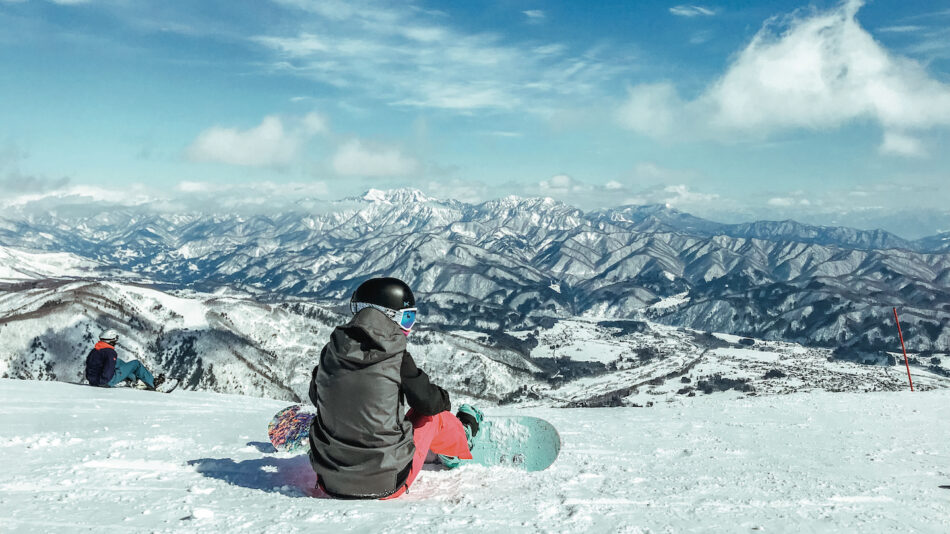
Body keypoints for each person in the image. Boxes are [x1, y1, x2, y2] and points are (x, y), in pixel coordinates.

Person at [308, 277, 483, 499]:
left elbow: (317, 397)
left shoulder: (331, 352)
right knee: (433, 418)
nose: (408, 328)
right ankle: (461, 441)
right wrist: (444, 400)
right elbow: (428, 403)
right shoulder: (396, 356)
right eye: (407, 318)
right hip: (389, 482)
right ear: (388, 318)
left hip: (328, 481)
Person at [85, 329, 165, 390]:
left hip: (93, 380)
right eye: (115, 338)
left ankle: (134, 380)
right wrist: (105, 382)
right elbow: (109, 369)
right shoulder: (110, 353)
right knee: (135, 364)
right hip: (105, 381)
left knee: (118, 362)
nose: (116, 341)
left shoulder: (95, 350)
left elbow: (90, 366)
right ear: (111, 339)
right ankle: (153, 383)